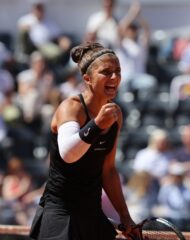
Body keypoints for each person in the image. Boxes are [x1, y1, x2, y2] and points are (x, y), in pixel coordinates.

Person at [29, 42, 135, 240]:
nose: (114, 77)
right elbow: (68, 154)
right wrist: (96, 125)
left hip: (92, 214)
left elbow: (109, 170)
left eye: (118, 71)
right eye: (106, 72)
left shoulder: (115, 114)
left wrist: (124, 214)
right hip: (61, 213)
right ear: (87, 78)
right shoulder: (70, 107)